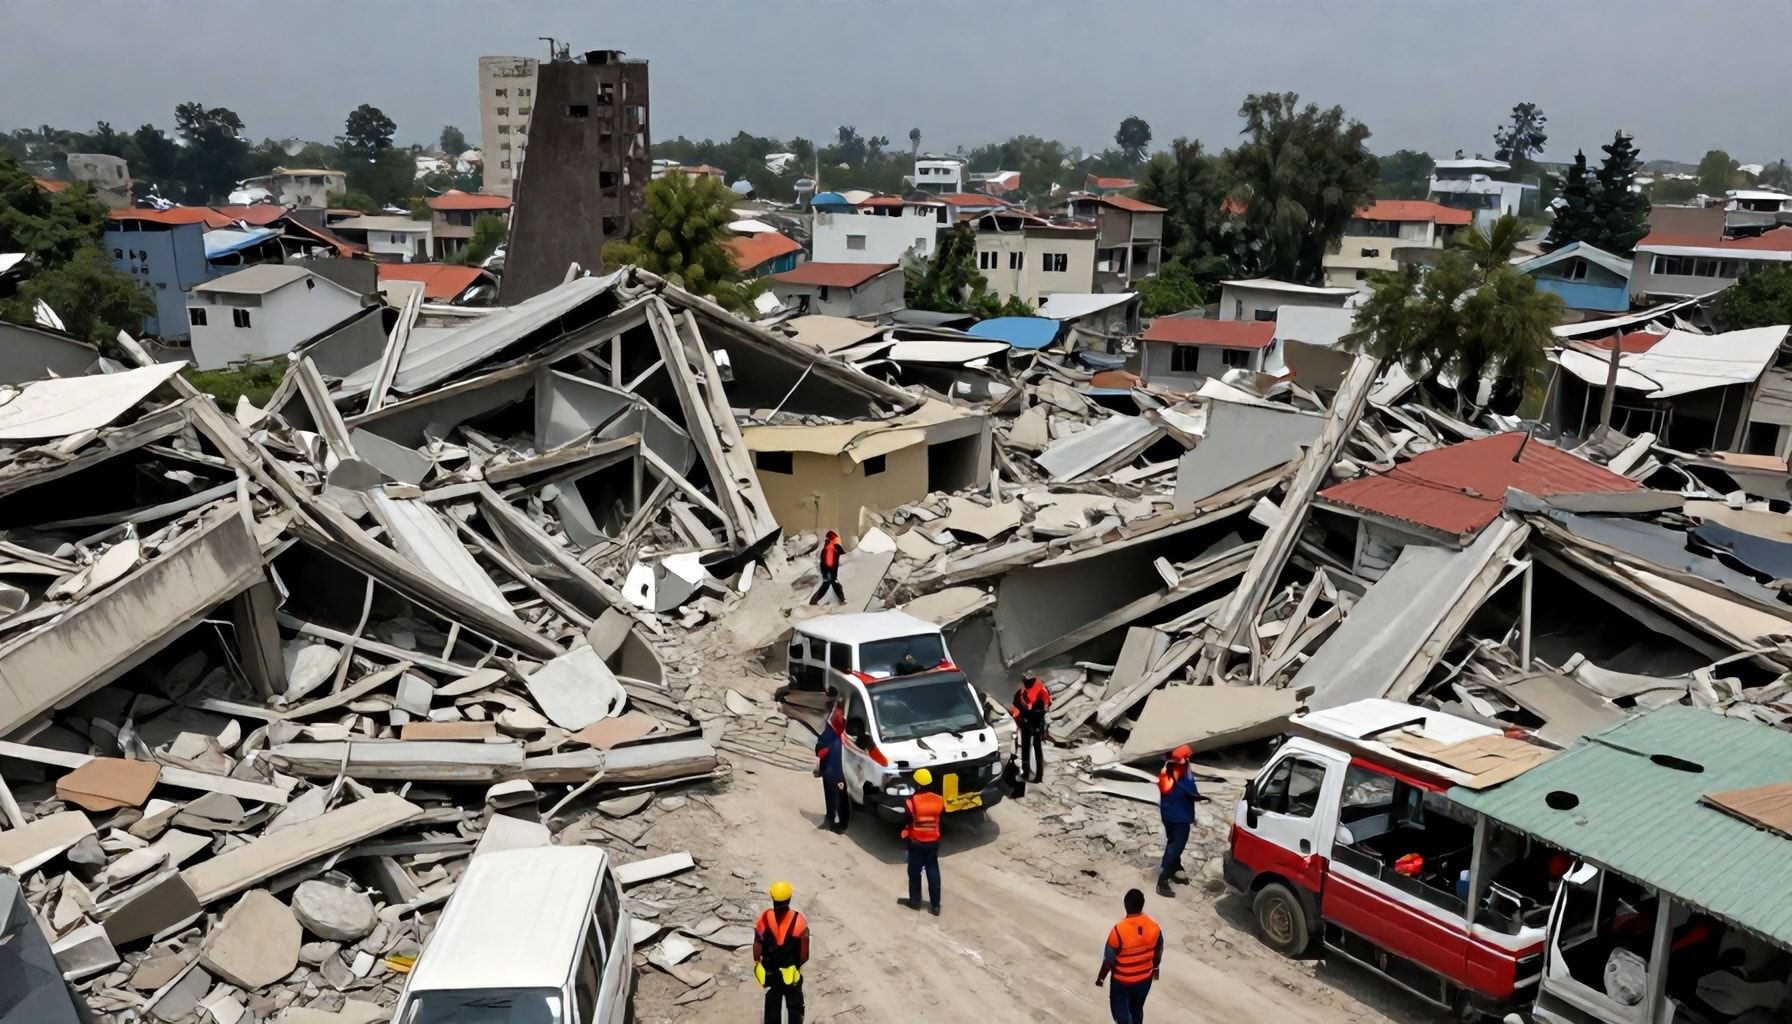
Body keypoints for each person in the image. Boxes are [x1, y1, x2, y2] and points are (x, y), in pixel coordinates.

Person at [1096, 888, 1163, 1024]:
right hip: (1144, 980)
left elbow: (1109, 959)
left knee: (1121, 1015)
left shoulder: (1118, 930)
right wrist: (1155, 969)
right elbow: (1158, 950)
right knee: (1137, 1010)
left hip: (1122, 981)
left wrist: (1101, 978)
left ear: (1125, 905)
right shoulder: (1154, 927)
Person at [754, 881, 809, 1024]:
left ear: (772, 897)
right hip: (791, 973)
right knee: (795, 1003)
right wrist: (797, 966)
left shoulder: (764, 919)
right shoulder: (799, 921)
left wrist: (757, 964)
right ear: (789, 899)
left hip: (770, 972)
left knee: (772, 1002)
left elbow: (757, 946)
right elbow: (804, 955)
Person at [897, 767, 944, 915]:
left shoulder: (911, 802)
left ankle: (915, 901)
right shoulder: (939, 800)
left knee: (914, 872)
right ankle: (935, 905)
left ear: (917, 784)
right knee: (933, 871)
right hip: (933, 842)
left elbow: (907, 820)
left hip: (916, 842)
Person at [1156, 745, 1200, 898]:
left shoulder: (1169, 769)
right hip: (1178, 817)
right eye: (1188, 757)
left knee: (1174, 844)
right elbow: (1185, 791)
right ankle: (1162, 880)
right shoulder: (1177, 772)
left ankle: (1175, 870)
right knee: (1175, 848)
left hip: (1171, 815)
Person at [814, 696, 849, 832]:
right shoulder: (836, 719)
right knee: (839, 794)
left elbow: (823, 746)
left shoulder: (837, 721)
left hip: (833, 765)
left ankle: (835, 822)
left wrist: (818, 765)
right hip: (833, 765)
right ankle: (836, 822)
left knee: (836, 794)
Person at [1008, 675, 1051, 783]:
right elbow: (1015, 709)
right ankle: (1030, 774)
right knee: (1029, 749)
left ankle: (1034, 775)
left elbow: (1045, 709)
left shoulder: (1039, 692)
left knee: (1033, 749)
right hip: (1030, 724)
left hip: (1032, 723)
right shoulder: (1023, 693)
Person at [809, 531, 845, 606]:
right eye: (835, 538)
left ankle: (814, 601)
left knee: (831, 585)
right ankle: (842, 600)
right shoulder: (831, 547)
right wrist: (830, 572)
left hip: (828, 571)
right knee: (830, 585)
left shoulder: (829, 546)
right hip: (829, 571)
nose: (836, 540)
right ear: (832, 539)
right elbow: (829, 561)